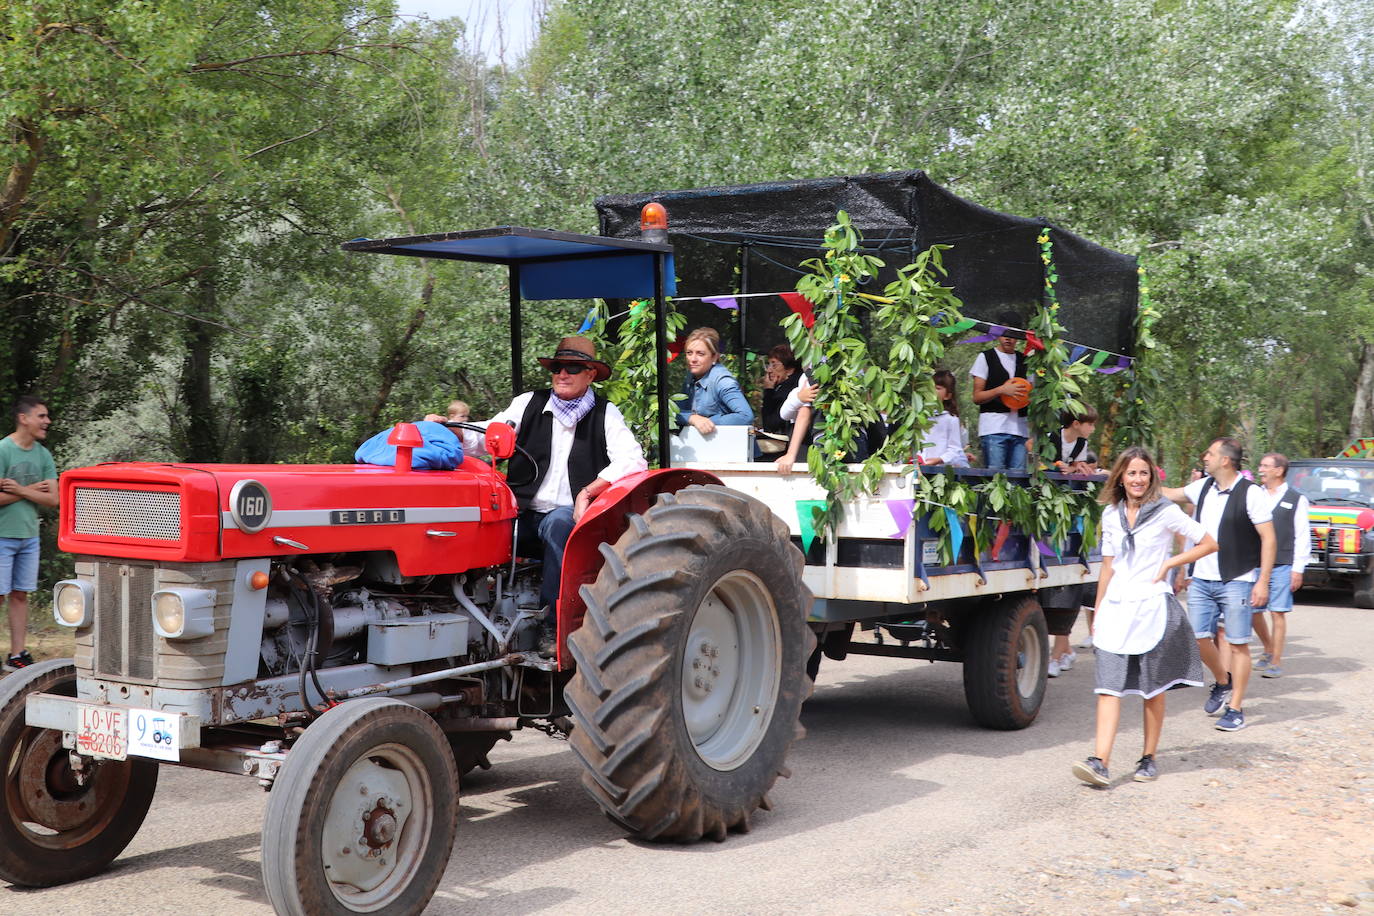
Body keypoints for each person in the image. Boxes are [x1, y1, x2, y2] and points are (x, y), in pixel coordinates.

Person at [479, 337, 647, 654]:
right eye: (557, 367)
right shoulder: (528, 402)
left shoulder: (605, 414)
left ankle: (553, 625)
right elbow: (490, 433)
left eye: (572, 367)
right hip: (522, 516)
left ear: (590, 375)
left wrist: (588, 491)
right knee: (474, 520)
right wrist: (449, 431)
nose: (562, 374)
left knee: (557, 523)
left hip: (571, 519)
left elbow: (633, 460)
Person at [1072, 446, 1217, 787]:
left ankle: (1148, 757)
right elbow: (1108, 566)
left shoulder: (1165, 511)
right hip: (1117, 608)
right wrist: (1099, 608)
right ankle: (1100, 762)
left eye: (1143, 473)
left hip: (1152, 607)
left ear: (1151, 477)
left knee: (1153, 689)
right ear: (1121, 477)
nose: (1137, 479)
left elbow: (1209, 543)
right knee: (1108, 688)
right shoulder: (1110, 514)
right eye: (1132, 473)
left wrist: (1171, 563)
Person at [1163, 437, 1275, 732]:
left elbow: (1269, 538)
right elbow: (1169, 493)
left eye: (1210, 453)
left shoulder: (1251, 493)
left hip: (1237, 579)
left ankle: (1236, 708)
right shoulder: (1203, 487)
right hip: (1201, 578)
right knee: (1199, 638)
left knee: (1238, 644)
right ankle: (1223, 682)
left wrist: (1262, 581)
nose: (1205, 457)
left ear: (1225, 460)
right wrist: (1117, 475)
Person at [1, 396, 58, 672]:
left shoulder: (43, 455)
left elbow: (53, 499)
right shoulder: (3, 450)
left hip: (29, 537)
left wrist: (19, 489)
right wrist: (34, 490)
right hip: (2, 536)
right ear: (24, 418)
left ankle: (17, 655)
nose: (47, 421)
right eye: (42, 416)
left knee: (20, 595)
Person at [1250, 452, 1310, 679]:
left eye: (1265, 466)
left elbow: (1302, 536)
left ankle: (1275, 661)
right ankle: (1267, 647)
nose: (1261, 469)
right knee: (1254, 611)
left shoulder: (1296, 499)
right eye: (1260, 465)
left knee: (1277, 612)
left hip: (1283, 564)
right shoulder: (1255, 495)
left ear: (1279, 470)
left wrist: (1298, 568)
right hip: (1254, 563)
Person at [969, 313, 1031, 471]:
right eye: (1004, 334)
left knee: (1018, 479)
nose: (1008, 338)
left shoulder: (1025, 361)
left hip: (1020, 429)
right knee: (996, 478)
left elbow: (1033, 392)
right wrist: (1002, 390)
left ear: (1018, 337)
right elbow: (977, 397)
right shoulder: (986, 358)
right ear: (997, 335)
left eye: (1012, 335)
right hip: (994, 428)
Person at [678, 327, 753, 434]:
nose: (693, 359)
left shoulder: (722, 381)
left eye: (700, 354)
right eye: (689, 353)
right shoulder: (690, 377)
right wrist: (693, 418)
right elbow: (674, 412)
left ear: (714, 357)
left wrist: (709, 422)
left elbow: (746, 416)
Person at [918, 370, 969, 468]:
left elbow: (955, 449)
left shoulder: (951, 419)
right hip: (919, 467)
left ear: (947, 396)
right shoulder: (920, 416)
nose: (932, 391)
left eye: (937, 388)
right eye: (930, 387)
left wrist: (939, 460)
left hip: (941, 469)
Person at [759, 344, 801, 435]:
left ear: (789, 369)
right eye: (769, 364)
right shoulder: (784, 386)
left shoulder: (789, 389)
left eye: (774, 365)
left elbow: (770, 424)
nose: (769, 370)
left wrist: (769, 391)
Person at [1045, 404, 1098, 474]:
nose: (1093, 429)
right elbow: (1030, 444)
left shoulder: (1082, 443)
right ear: (1076, 424)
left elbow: (1075, 465)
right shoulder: (1051, 435)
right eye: (1090, 425)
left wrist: (1069, 469)